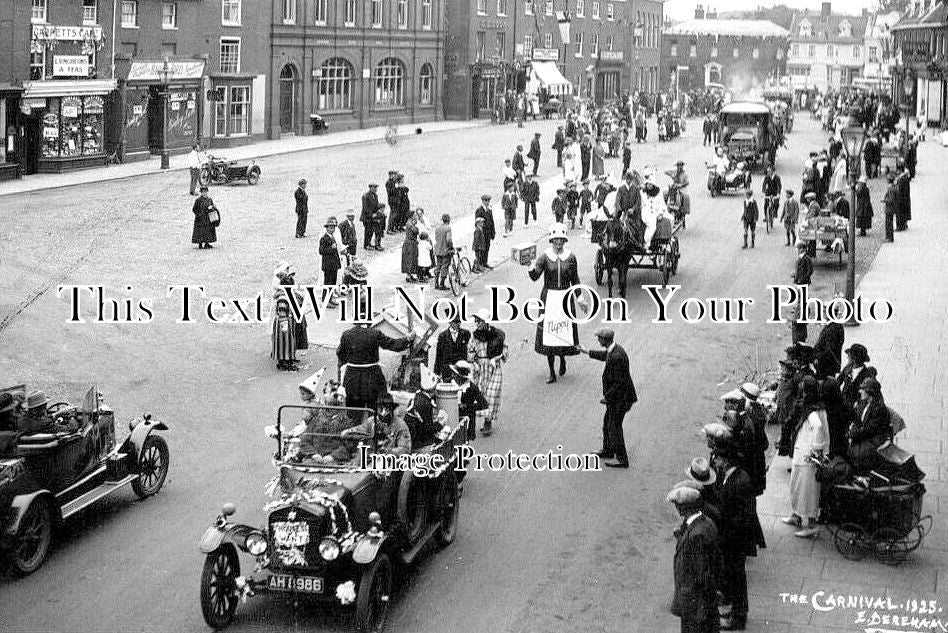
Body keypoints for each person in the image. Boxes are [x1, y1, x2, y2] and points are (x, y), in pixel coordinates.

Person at [528, 223, 584, 383]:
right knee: (550, 334)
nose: (558, 243)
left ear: (565, 241)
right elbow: (535, 277)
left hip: (565, 297)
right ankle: (551, 371)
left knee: (563, 332)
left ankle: (563, 358)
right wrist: (530, 266)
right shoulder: (545, 256)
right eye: (556, 240)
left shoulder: (571, 257)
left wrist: (579, 298)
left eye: (561, 240)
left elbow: (576, 280)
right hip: (549, 298)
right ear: (551, 240)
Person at [576, 327, 637, 468]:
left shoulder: (616, 357)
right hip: (619, 397)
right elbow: (605, 356)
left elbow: (618, 383)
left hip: (620, 399)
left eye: (599, 338)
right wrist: (587, 351)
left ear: (605, 340)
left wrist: (607, 397)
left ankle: (622, 459)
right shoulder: (615, 350)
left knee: (614, 427)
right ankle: (608, 450)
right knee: (607, 424)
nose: (598, 340)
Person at [711, 449, 757, 631]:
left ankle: (738, 618)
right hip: (730, 538)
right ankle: (733, 612)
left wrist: (724, 524)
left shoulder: (740, 481)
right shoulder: (730, 476)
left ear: (727, 461)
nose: (715, 462)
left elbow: (744, 515)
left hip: (735, 540)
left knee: (737, 578)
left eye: (718, 459)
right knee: (732, 577)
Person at [336, 303, 415, 409]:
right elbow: (393, 345)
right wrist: (408, 339)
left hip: (352, 379)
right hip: (371, 378)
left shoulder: (346, 334)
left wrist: (354, 361)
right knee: (375, 409)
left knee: (354, 411)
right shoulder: (375, 334)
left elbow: (340, 354)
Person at [668, 485, 723, 633]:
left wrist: (702, 603)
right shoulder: (706, 523)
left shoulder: (696, 535)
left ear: (683, 508)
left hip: (695, 603)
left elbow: (702, 573)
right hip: (702, 602)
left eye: (677, 505)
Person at [785, 375, 829, 538]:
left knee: (807, 490)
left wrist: (815, 450)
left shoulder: (812, 411)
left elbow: (817, 428)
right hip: (803, 453)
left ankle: (811, 523)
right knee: (798, 486)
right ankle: (796, 515)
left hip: (807, 456)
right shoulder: (816, 407)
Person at [468, 308, 507, 437]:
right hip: (480, 369)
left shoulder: (497, 334)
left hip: (494, 367)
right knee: (482, 395)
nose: (477, 323)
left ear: (485, 322)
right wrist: (474, 363)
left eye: (479, 321)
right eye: (476, 320)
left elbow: (505, 350)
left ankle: (487, 421)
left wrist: (496, 358)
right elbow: (470, 353)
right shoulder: (474, 336)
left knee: (491, 394)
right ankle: (485, 418)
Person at [342, 392, 411, 456]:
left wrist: (388, 451)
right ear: (377, 408)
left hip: (389, 461)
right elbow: (359, 430)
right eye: (381, 408)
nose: (383, 412)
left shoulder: (400, 425)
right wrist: (347, 432)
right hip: (371, 456)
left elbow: (405, 449)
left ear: (392, 409)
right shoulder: (371, 421)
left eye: (387, 408)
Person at [848, 377, 891, 473]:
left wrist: (852, 435)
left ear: (869, 392)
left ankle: (861, 474)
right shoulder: (862, 404)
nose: (860, 391)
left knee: (860, 453)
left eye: (863, 389)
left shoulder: (879, 408)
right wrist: (850, 433)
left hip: (873, 439)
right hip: (863, 436)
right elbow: (856, 421)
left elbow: (869, 429)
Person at [404, 366, 445, 449]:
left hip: (412, 434)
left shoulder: (419, 395)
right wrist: (439, 424)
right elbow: (426, 428)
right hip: (416, 439)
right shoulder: (425, 403)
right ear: (433, 389)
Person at [451, 360, 489, 441]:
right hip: (451, 419)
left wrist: (467, 406)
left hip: (466, 422)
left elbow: (484, 404)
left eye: (455, 374)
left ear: (460, 376)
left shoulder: (472, 388)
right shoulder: (448, 383)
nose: (453, 375)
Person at [434, 312, 471, 379]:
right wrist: (436, 373)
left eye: (459, 321)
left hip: (461, 370)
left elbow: (469, 350)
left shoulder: (466, 334)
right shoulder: (442, 336)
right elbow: (439, 355)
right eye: (456, 322)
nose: (458, 324)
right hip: (447, 371)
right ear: (450, 322)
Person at [838, 344, 875, 408]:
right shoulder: (847, 368)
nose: (847, 358)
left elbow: (869, 396)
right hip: (842, 404)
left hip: (856, 408)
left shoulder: (868, 375)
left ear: (854, 359)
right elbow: (837, 383)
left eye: (849, 356)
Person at [361, 183, 386, 250]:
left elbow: (376, 206)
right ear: (370, 188)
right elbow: (365, 208)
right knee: (368, 231)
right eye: (374, 188)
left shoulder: (375, 196)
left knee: (371, 231)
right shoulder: (365, 196)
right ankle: (366, 245)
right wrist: (371, 215)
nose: (375, 189)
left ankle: (369, 243)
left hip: (373, 217)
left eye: (376, 188)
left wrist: (380, 211)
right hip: (366, 217)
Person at [474, 195, 496, 270]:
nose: (487, 202)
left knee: (487, 247)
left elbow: (492, 222)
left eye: (488, 201)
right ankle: (480, 264)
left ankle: (485, 262)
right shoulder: (479, 210)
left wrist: (493, 232)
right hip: (482, 233)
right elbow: (477, 223)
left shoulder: (489, 210)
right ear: (483, 201)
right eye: (486, 201)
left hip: (488, 233)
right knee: (481, 249)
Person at [433, 213, 454, 290]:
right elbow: (449, 239)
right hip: (445, 251)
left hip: (438, 250)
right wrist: (451, 247)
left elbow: (436, 239)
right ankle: (442, 284)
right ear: (448, 220)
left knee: (438, 266)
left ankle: (436, 283)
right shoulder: (448, 228)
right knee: (445, 267)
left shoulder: (437, 228)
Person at [401, 212, 419, 283]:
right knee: (410, 259)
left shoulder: (410, 222)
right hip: (410, 243)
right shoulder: (410, 223)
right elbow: (416, 230)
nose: (416, 216)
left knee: (411, 259)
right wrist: (416, 225)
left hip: (411, 242)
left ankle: (410, 274)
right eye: (415, 215)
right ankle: (408, 276)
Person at [883, 172, 897, 242]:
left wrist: (885, 200)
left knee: (889, 223)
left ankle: (889, 237)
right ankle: (889, 237)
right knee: (888, 222)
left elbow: (891, 199)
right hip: (890, 208)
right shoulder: (892, 187)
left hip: (889, 208)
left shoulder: (890, 189)